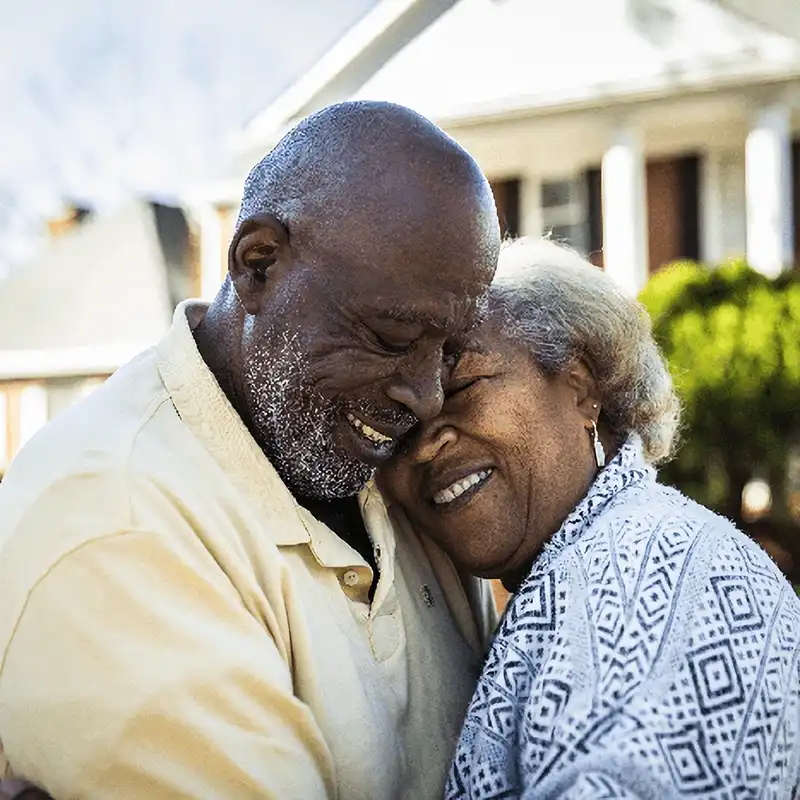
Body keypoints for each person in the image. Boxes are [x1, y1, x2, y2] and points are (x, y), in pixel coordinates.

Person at [0, 101, 501, 799]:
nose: (425, 396)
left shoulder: (397, 471)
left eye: (448, 351)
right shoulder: (112, 519)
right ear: (258, 264)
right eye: (389, 338)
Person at [380, 238, 800, 798]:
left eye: (460, 388)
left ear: (580, 386)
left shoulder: (647, 561)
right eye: (400, 419)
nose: (422, 446)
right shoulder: (582, 567)